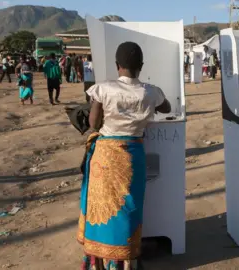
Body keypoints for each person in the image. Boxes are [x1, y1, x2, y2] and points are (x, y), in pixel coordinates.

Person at [79, 41, 171, 270]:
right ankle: (126, 262)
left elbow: (93, 123)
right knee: (129, 208)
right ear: (141, 65)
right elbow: (167, 107)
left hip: (106, 156)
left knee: (101, 208)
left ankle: (99, 262)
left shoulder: (103, 89)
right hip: (133, 156)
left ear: (117, 65)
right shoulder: (150, 91)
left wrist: (96, 105)